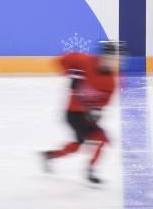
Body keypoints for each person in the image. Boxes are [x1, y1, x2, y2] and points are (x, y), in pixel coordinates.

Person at [41, 41, 120, 184]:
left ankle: (49, 155)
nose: (111, 62)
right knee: (101, 138)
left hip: (86, 116)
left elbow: (104, 100)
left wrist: (96, 109)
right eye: (109, 57)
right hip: (73, 114)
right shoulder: (83, 60)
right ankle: (89, 171)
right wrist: (70, 73)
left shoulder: (111, 81)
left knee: (78, 145)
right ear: (102, 56)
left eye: (114, 59)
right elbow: (61, 60)